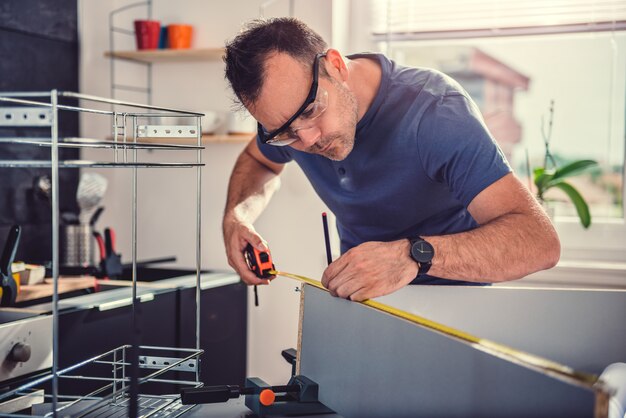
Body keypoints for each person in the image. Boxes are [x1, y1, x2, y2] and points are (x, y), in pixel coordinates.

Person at [221, 17, 560, 302]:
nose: (306, 140)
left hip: (456, 310)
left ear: (336, 66)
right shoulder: (291, 121)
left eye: (312, 111)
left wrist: (412, 256)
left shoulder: (436, 112)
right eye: (285, 133)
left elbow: (539, 242)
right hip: (362, 304)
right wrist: (237, 217)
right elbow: (260, 160)